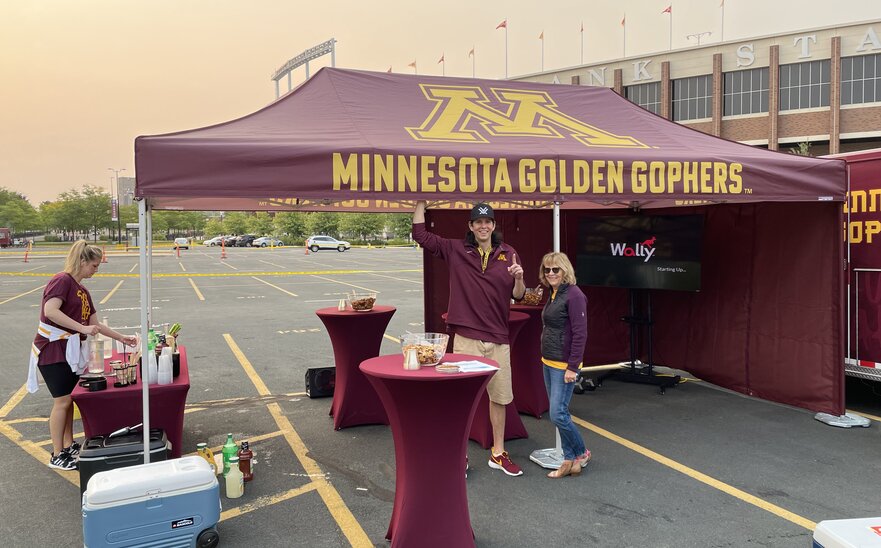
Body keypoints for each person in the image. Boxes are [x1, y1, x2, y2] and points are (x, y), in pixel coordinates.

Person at [413, 201, 527, 476]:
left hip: (498, 338)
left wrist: (520, 278)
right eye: (478, 222)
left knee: (499, 397)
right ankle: (459, 455)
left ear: (494, 225)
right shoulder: (456, 249)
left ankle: (498, 453)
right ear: (471, 226)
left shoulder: (509, 253)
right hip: (466, 338)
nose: (483, 226)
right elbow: (421, 235)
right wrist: (420, 202)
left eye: (488, 222)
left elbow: (519, 295)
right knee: (463, 399)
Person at [27, 240, 137, 470]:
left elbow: (94, 323)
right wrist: (81, 329)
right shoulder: (62, 280)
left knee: (68, 400)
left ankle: (67, 446)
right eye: (94, 265)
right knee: (62, 401)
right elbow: (51, 311)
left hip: (69, 350)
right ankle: (57, 453)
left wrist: (121, 337)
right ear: (82, 261)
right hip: (53, 348)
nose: (96, 270)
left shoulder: (82, 290)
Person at [538, 251, 591, 478]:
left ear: (565, 270)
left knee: (557, 414)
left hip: (563, 365)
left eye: (555, 269)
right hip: (548, 361)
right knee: (559, 411)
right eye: (547, 269)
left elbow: (580, 334)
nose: (551, 273)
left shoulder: (574, 295)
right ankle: (569, 461)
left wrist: (572, 367)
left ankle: (581, 452)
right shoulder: (554, 293)